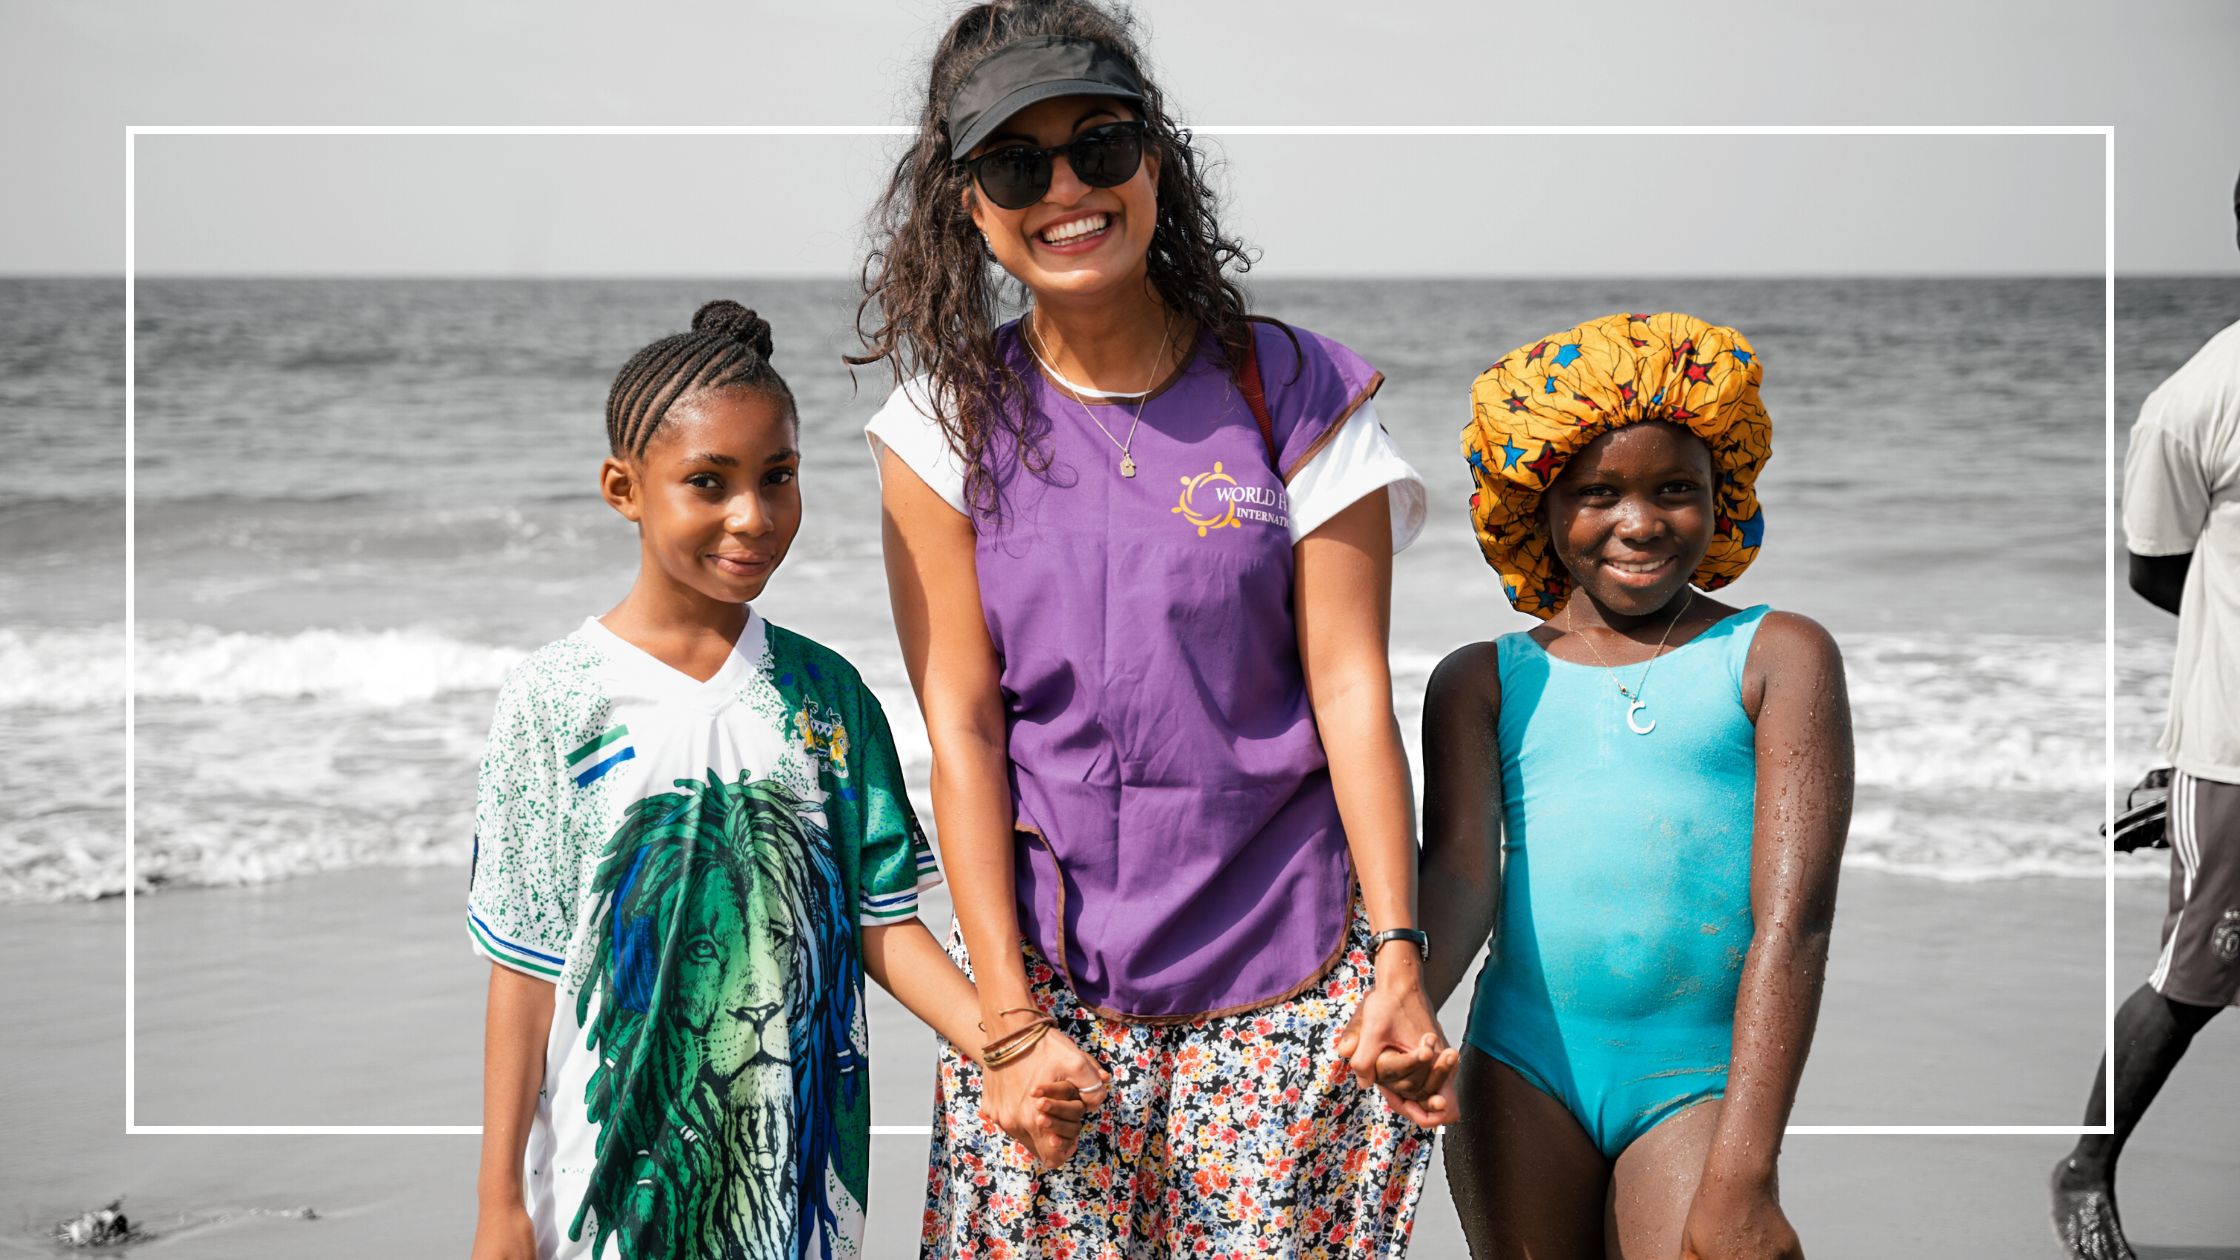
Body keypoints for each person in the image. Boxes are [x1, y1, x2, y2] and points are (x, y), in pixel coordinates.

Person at [853, 1, 1451, 1253]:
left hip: (1287, 970)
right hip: (1050, 987)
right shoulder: (941, 423)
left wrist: (1399, 960)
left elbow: (1350, 695)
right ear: (967, 205)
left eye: (1100, 145)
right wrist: (1006, 1027)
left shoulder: (1293, 391)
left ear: (1155, 162)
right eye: (1017, 162)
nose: (1066, 188)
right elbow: (962, 730)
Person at [464, 301, 1040, 1260]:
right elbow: (522, 973)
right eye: (708, 483)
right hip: (611, 1202)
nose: (755, 517)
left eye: (779, 478)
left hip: (802, 1201)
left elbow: (882, 925)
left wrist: (1008, 1050)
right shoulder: (554, 702)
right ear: (624, 488)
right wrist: (498, 1209)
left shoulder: (827, 698)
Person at [1413, 313, 1853, 1259]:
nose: (1641, 522)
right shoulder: (1478, 681)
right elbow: (1456, 880)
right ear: (1538, 503)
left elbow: (1796, 920)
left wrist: (1747, 1170)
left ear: (1721, 494)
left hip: (1698, 1081)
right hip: (1517, 1070)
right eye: (1599, 492)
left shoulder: (1778, 656)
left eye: (1675, 490)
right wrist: (1397, 1016)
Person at [2050, 179, 2240, 1260]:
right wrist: (2181, 759)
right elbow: (2158, 575)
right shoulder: (2197, 398)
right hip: (2232, 754)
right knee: (2194, 975)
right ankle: (2084, 1168)